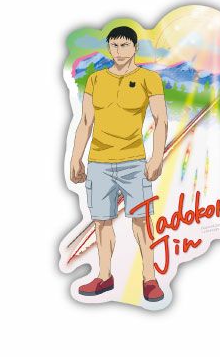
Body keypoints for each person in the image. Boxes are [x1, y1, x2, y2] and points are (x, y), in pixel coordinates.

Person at [69, 25, 168, 302]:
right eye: (114, 45)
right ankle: (104, 276)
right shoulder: (96, 79)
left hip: (134, 162)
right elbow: (85, 121)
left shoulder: (149, 79)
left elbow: (160, 119)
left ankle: (150, 278)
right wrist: (75, 158)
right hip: (99, 162)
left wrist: (156, 157)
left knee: (141, 221)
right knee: (102, 222)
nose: (119, 51)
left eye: (125, 45)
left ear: (134, 48)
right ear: (109, 48)